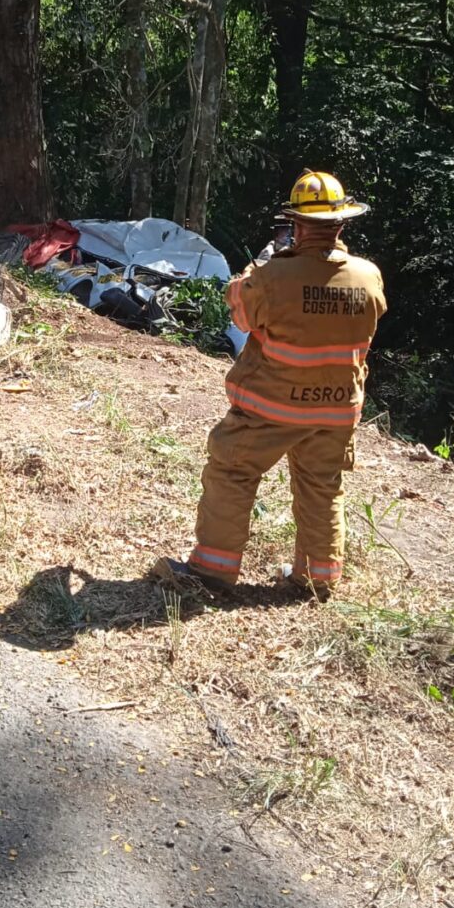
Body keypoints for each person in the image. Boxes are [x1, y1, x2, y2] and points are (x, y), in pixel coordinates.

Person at [153, 170, 387, 600]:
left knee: (232, 472)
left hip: (271, 407)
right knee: (322, 487)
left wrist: (261, 265)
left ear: (296, 225)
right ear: (341, 224)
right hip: (337, 410)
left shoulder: (273, 277)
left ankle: (211, 571)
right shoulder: (368, 276)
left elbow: (239, 311)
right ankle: (318, 579)